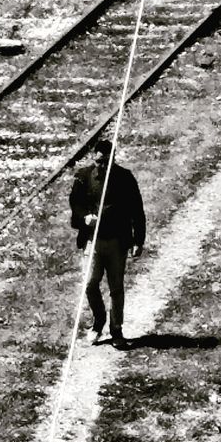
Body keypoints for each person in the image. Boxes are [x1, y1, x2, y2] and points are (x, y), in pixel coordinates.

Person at [69, 138, 146, 348]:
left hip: (117, 242)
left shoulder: (125, 178)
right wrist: (84, 217)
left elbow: (137, 210)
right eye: (98, 162)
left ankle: (116, 329)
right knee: (89, 284)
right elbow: (75, 206)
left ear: (113, 160)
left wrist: (139, 239)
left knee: (116, 288)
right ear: (94, 159)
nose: (101, 166)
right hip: (93, 241)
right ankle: (99, 320)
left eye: (106, 162)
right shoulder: (83, 177)